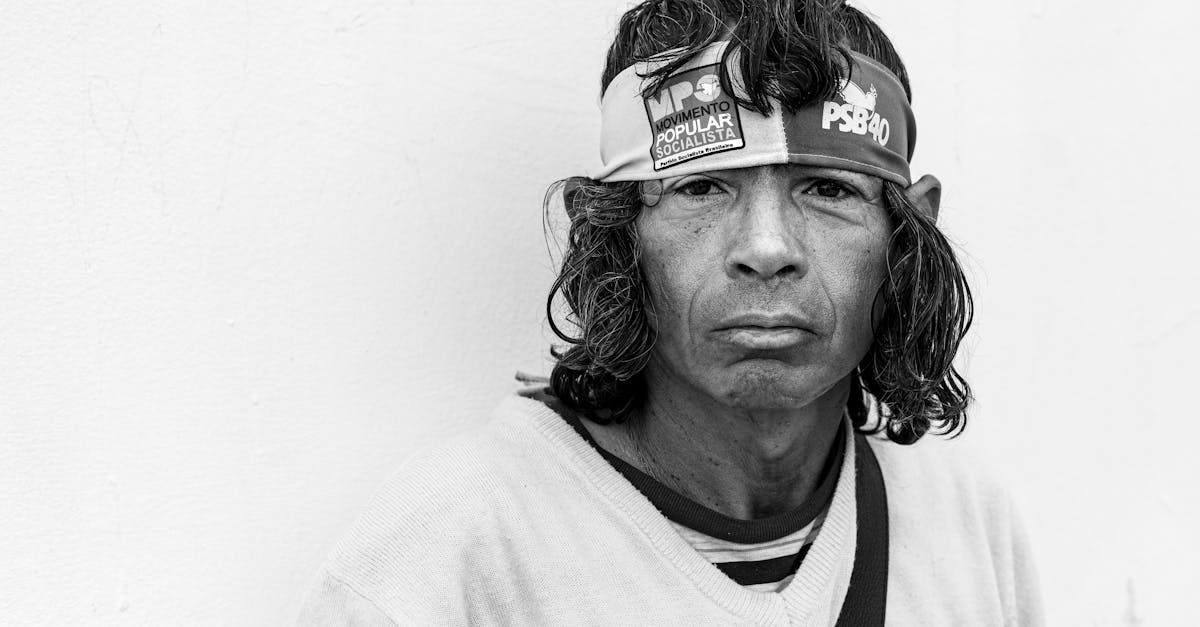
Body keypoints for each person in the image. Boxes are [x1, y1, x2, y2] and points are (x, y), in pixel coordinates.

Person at [299, 1, 1043, 624]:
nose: (766, 246)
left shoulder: (964, 522)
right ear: (617, 231)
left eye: (827, 189)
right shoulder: (454, 551)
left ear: (908, 235)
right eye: (702, 188)